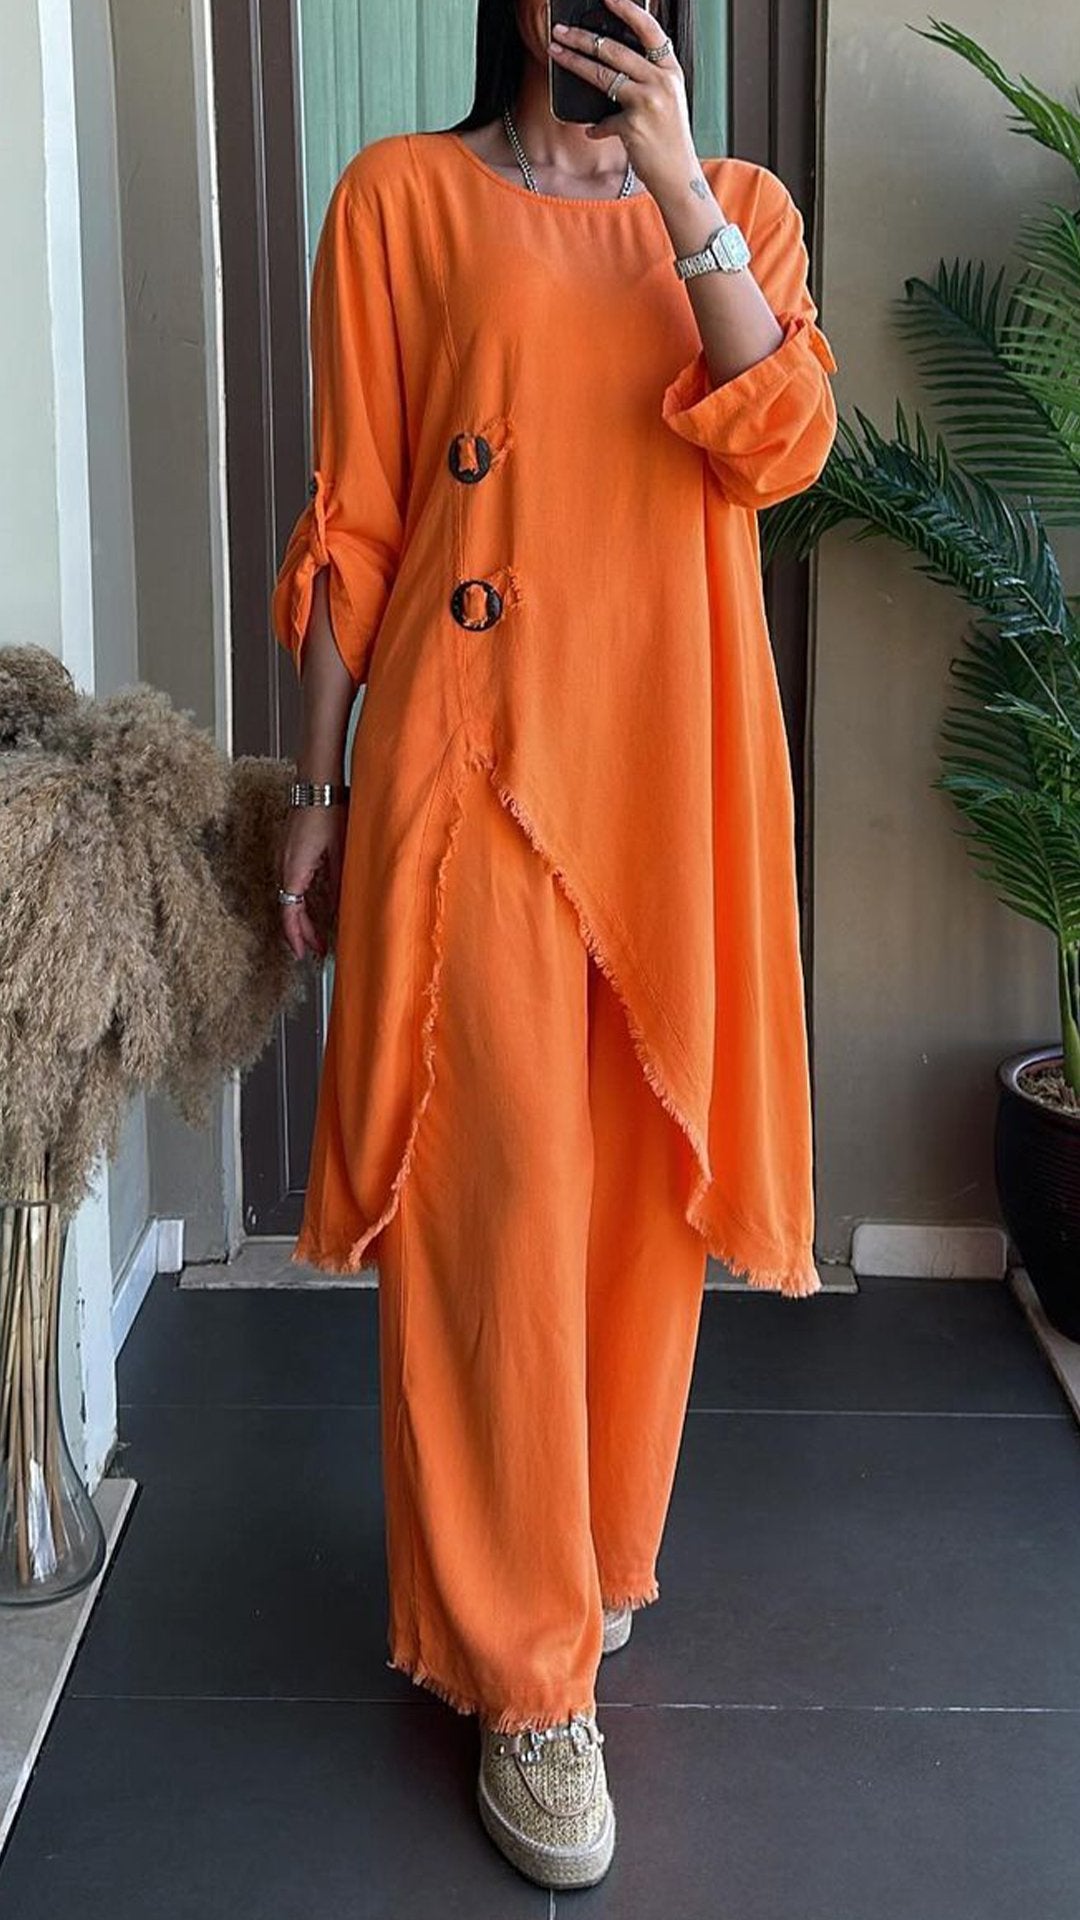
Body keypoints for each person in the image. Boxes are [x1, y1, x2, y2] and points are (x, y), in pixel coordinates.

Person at [271, 0, 838, 1890]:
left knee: (640, 1199)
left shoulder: (740, 206)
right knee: (494, 1196)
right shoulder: (401, 199)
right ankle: (527, 1682)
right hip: (473, 754)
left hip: (672, 763)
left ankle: (585, 1559)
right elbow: (358, 518)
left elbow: (784, 446)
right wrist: (314, 785)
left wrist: (675, 184)